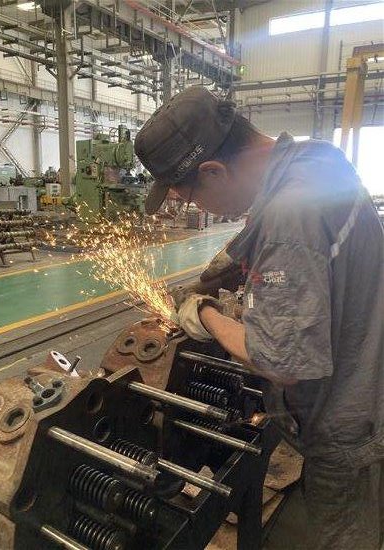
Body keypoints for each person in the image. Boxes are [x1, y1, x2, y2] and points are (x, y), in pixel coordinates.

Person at [134, 86, 384, 550]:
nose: (193, 209)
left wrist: (204, 313)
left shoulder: (290, 215)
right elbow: (289, 236)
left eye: (189, 198)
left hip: (345, 423)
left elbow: (281, 360)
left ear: (213, 171)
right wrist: (230, 268)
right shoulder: (315, 160)